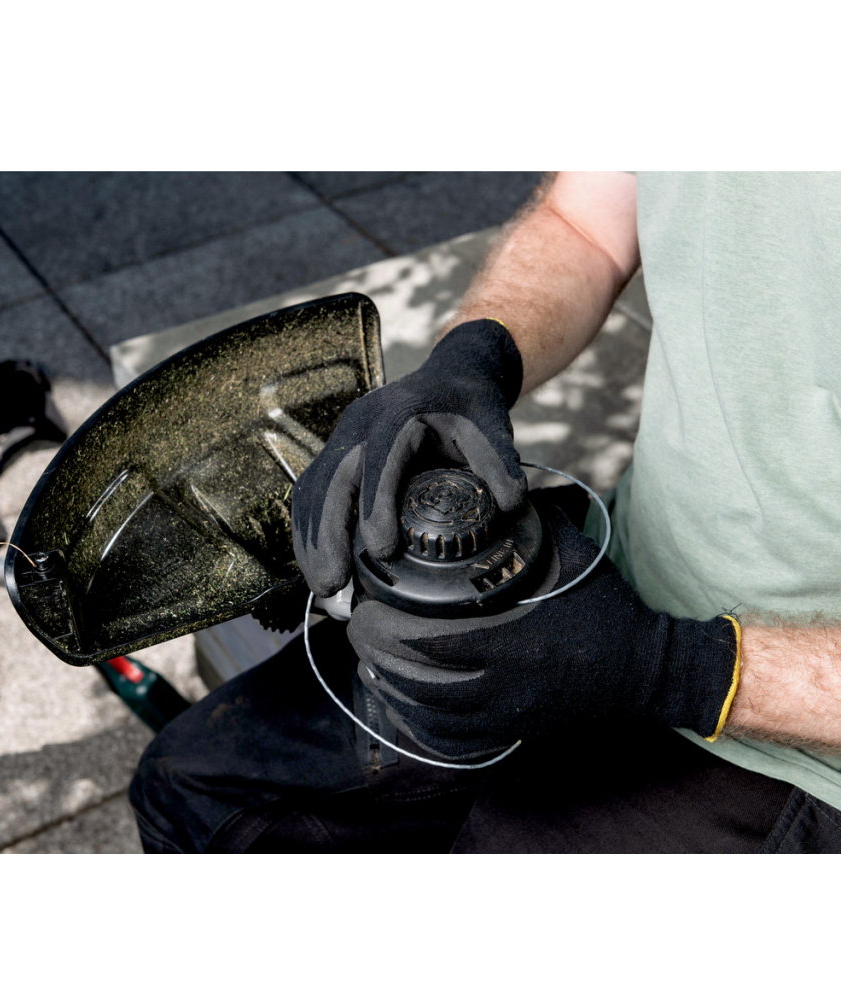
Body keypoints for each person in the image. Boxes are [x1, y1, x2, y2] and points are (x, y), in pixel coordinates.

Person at [130, 172, 841, 853]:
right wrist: (474, 355)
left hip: (792, 748)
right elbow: (586, 223)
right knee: (192, 788)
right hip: (609, 575)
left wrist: (679, 668)